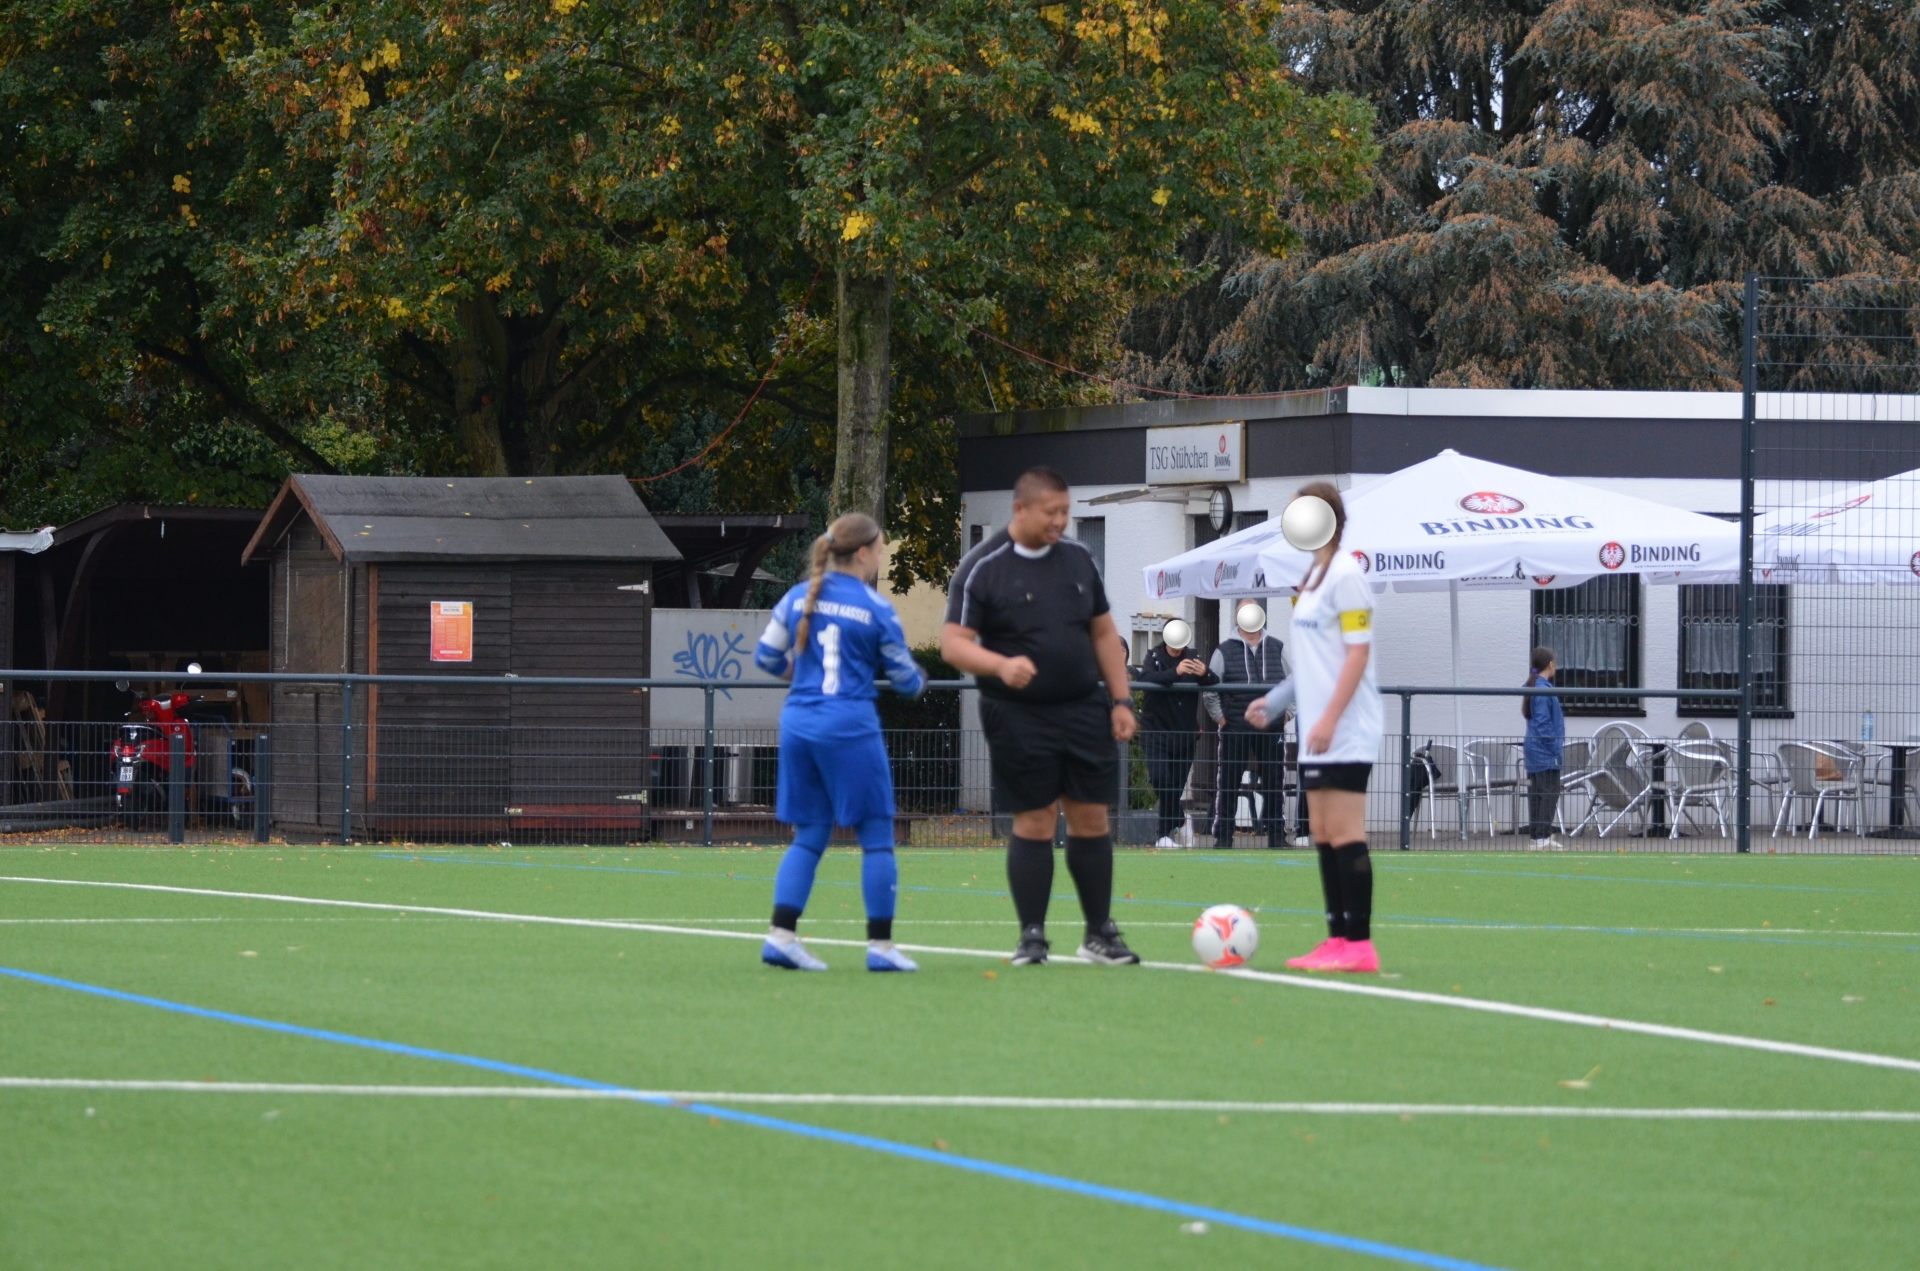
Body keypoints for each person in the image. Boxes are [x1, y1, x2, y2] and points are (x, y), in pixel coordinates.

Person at [942, 466, 1141, 967]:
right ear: (1020, 509)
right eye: (1050, 512)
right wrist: (1000, 665)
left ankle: (1099, 933)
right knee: (1035, 819)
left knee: (1091, 816)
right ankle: (1032, 935)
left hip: (1083, 707)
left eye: (1065, 512)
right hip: (1017, 713)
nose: (1059, 522)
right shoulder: (982, 567)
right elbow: (953, 645)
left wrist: (1121, 701)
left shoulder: (1079, 558)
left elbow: (1102, 632)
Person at [754, 513, 926, 972]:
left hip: (799, 723)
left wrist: (802, 675)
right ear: (864, 553)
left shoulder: (796, 597)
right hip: (849, 726)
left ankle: (781, 937)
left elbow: (766, 657)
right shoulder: (875, 607)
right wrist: (919, 678)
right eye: (881, 551)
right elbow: (905, 680)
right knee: (877, 838)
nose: (881, 558)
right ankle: (881, 947)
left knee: (810, 834)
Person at [1246, 482, 1383, 973]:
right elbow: (1312, 662)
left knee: (1345, 832)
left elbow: (1356, 654)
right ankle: (1336, 938)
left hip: (1347, 729)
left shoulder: (1346, 575)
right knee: (1322, 832)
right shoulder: (1313, 578)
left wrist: (1327, 718)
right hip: (1316, 732)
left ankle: (1359, 945)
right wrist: (1276, 701)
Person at [1203, 602, 1293, 849]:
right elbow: (1211, 689)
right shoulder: (1223, 651)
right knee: (1229, 782)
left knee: (1274, 782)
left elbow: (1293, 682)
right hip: (1235, 727)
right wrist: (1221, 718)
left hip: (1272, 728)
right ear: (1236, 617)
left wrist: (1287, 714)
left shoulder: (1277, 647)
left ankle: (1277, 836)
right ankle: (1223, 837)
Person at [1136, 618, 1217, 846]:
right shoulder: (1154, 656)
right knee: (1160, 779)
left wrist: (1205, 673)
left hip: (1184, 735)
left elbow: (1213, 681)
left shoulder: (1193, 656)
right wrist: (1175, 672)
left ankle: (1163, 835)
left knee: (1174, 786)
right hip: (1155, 731)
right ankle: (1181, 820)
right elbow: (1146, 678)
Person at [1523, 646, 1567, 849]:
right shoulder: (1542, 690)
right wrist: (1555, 747)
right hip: (1545, 751)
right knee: (1549, 793)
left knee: (1537, 793)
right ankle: (1541, 836)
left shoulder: (1533, 687)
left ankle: (1537, 837)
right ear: (1550, 664)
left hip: (1534, 749)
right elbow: (1543, 723)